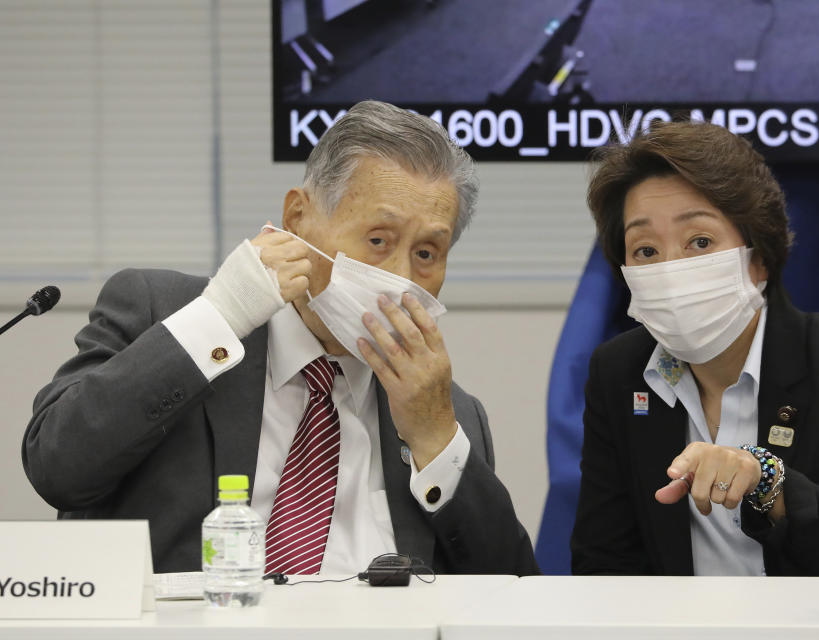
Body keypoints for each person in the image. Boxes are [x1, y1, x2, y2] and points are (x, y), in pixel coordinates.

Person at [24, 100, 538, 576]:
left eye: (426, 254)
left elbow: (512, 589)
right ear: (298, 217)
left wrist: (436, 441)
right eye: (378, 240)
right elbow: (57, 469)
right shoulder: (166, 311)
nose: (401, 278)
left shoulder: (450, 414)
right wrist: (219, 318)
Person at [570, 120, 819, 577]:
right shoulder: (619, 371)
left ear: (758, 258)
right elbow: (603, 564)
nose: (671, 269)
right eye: (645, 251)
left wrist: (770, 486)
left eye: (700, 242)